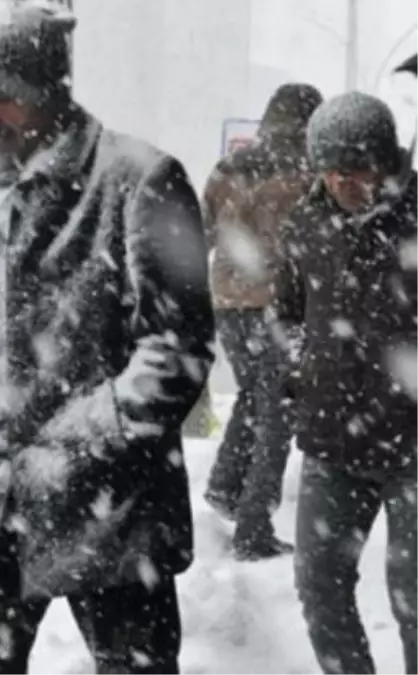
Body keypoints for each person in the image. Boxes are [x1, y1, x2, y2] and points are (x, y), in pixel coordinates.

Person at [0, 4, 214, 674]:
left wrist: (81, 437)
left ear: (46, 88)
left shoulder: (139, 180)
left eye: (0, 98)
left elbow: (177, 348)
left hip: (111, 509)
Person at [273, 91, 418, 675]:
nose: (340, 182)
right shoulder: (306, 221)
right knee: (319, 589)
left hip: (413, 444)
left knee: (412, 598)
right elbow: (284, 311)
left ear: (384, 161)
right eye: (329, 170)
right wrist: (302, 367)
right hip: (332, 441)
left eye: (354, 170)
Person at [201, 82, 324, 560]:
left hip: (228, 303)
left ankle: (225, 485)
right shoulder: (309, 175)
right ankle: (253, 528)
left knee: (255, 396)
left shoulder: (229, 168)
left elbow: (201, 231)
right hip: (279, 305)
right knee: (279, 416)